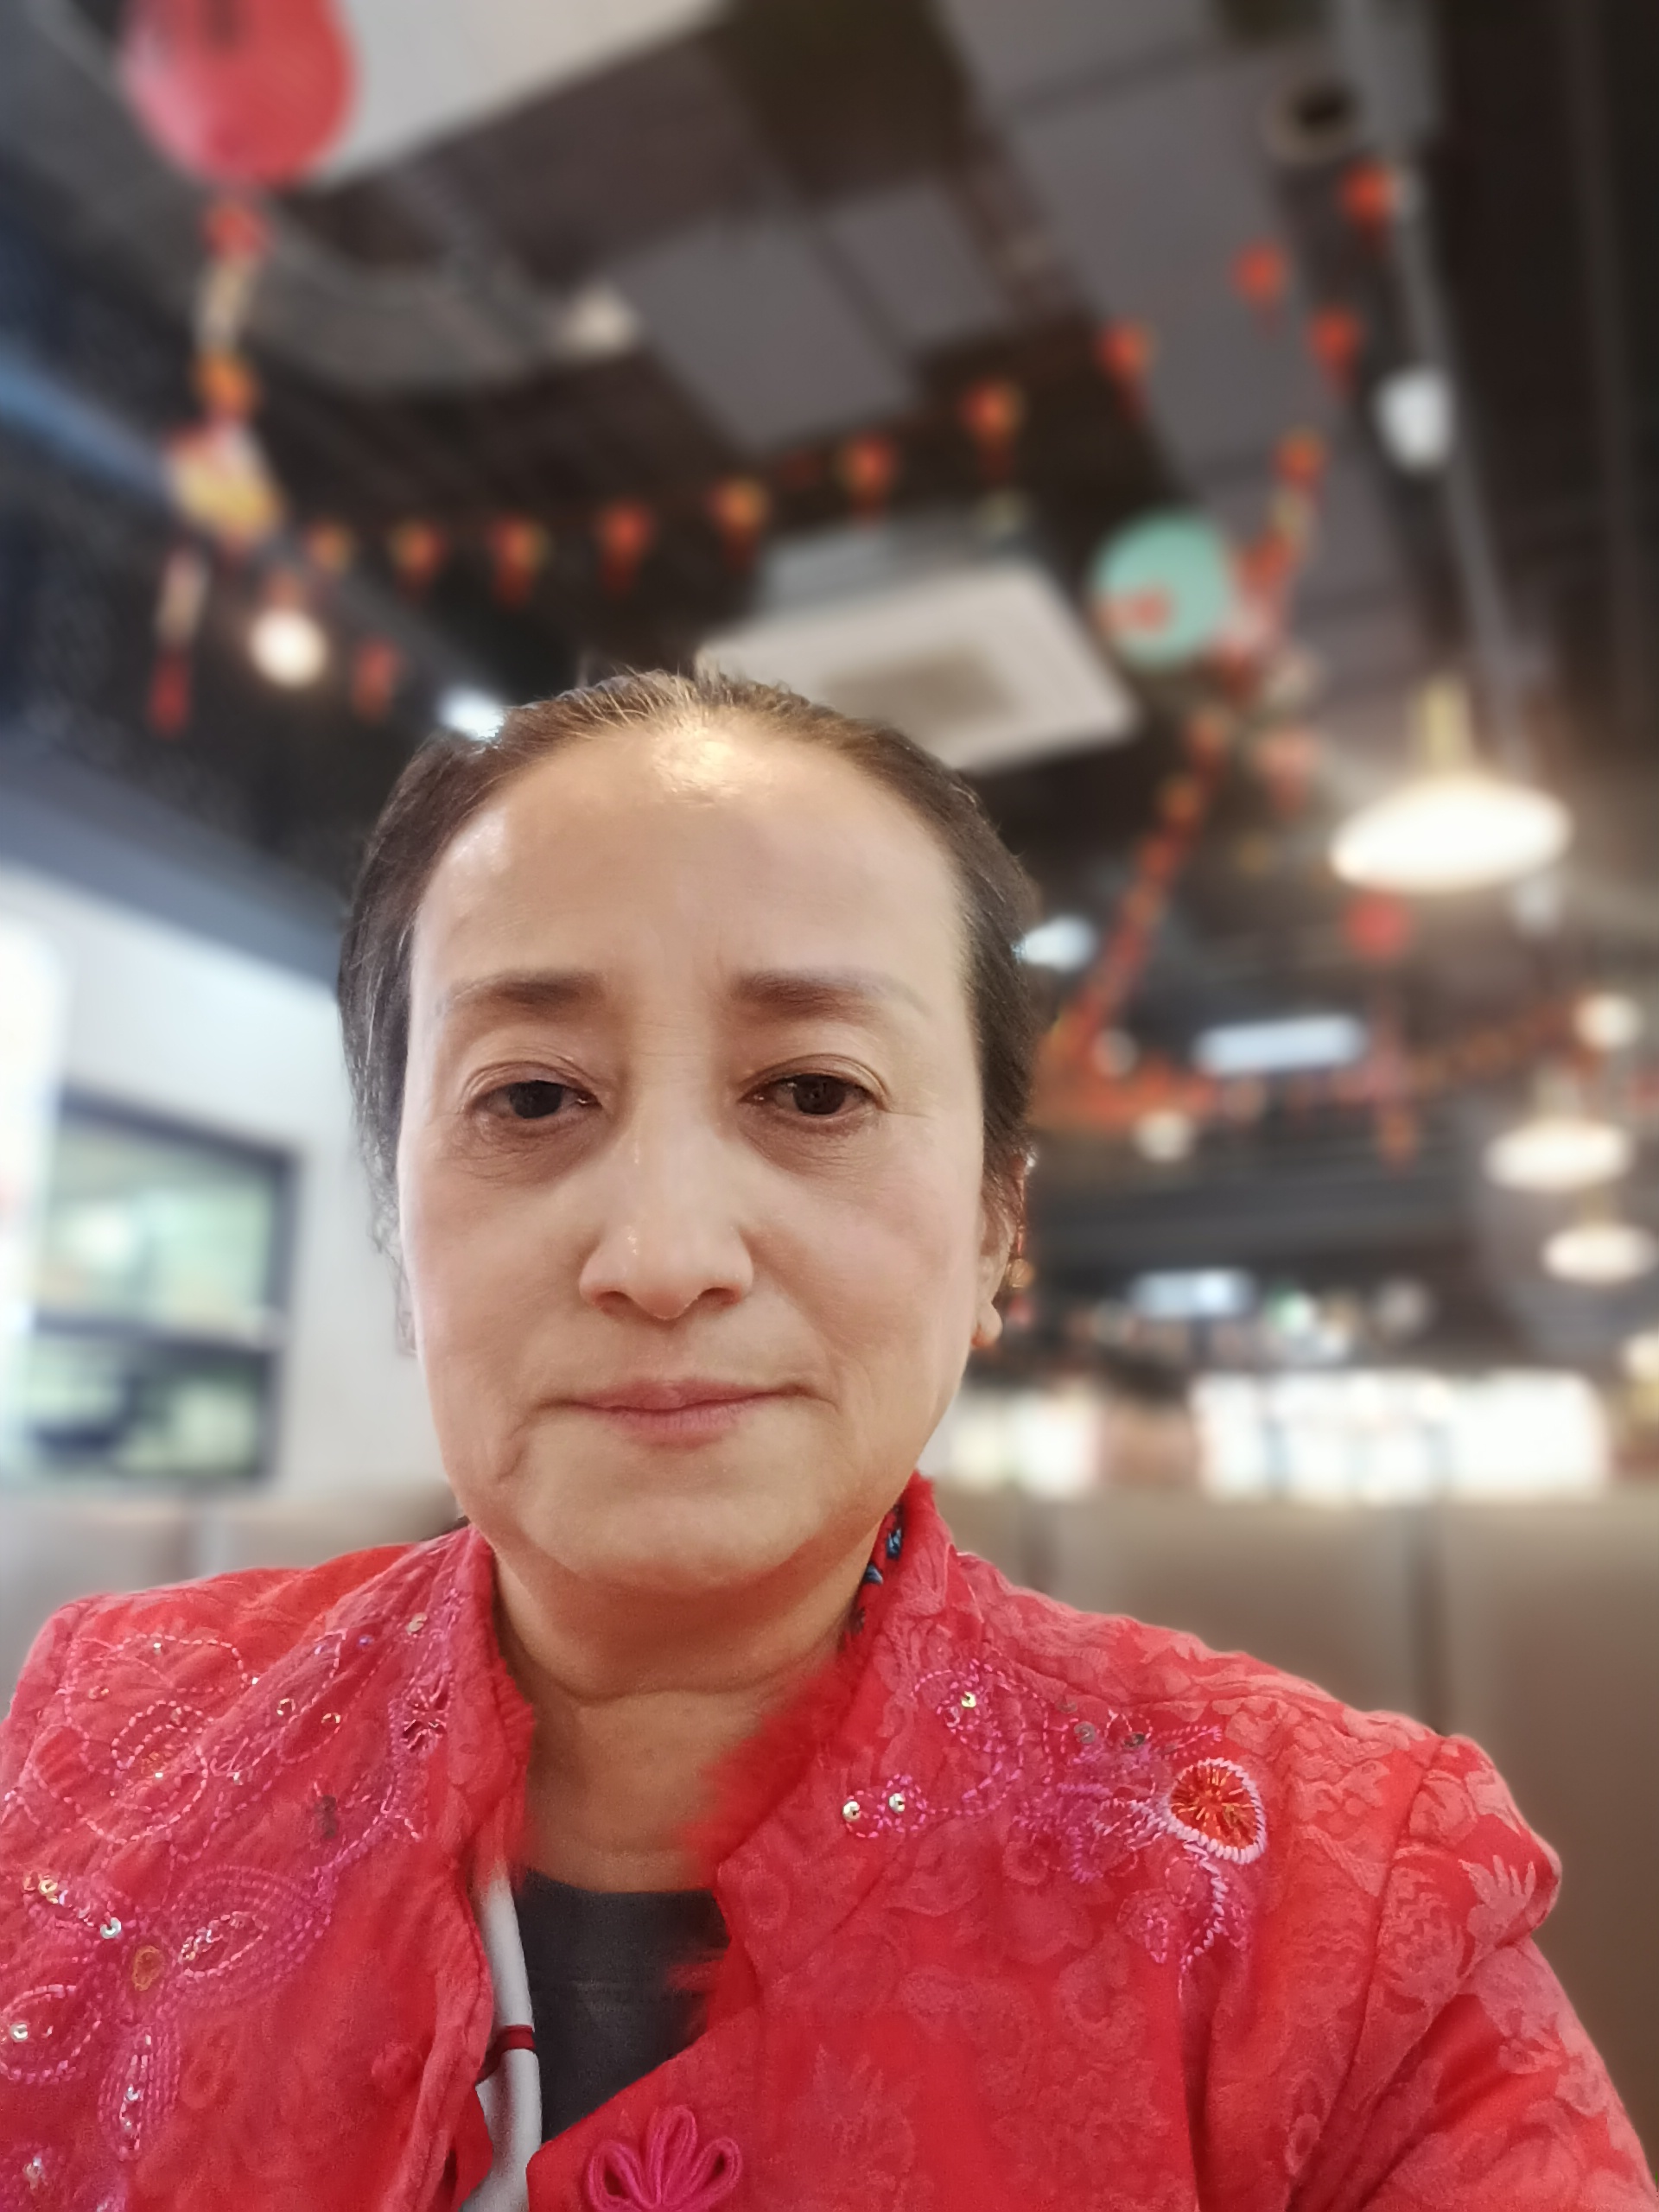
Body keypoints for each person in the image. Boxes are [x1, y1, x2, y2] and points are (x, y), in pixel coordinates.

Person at [0, 671, 1650, 2212]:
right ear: (392, 1215)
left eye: (812, 1092)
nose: (662, 1256)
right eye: (531, 1098)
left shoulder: (1343, 1921)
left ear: (998, 1224)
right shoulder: (97, 1749)